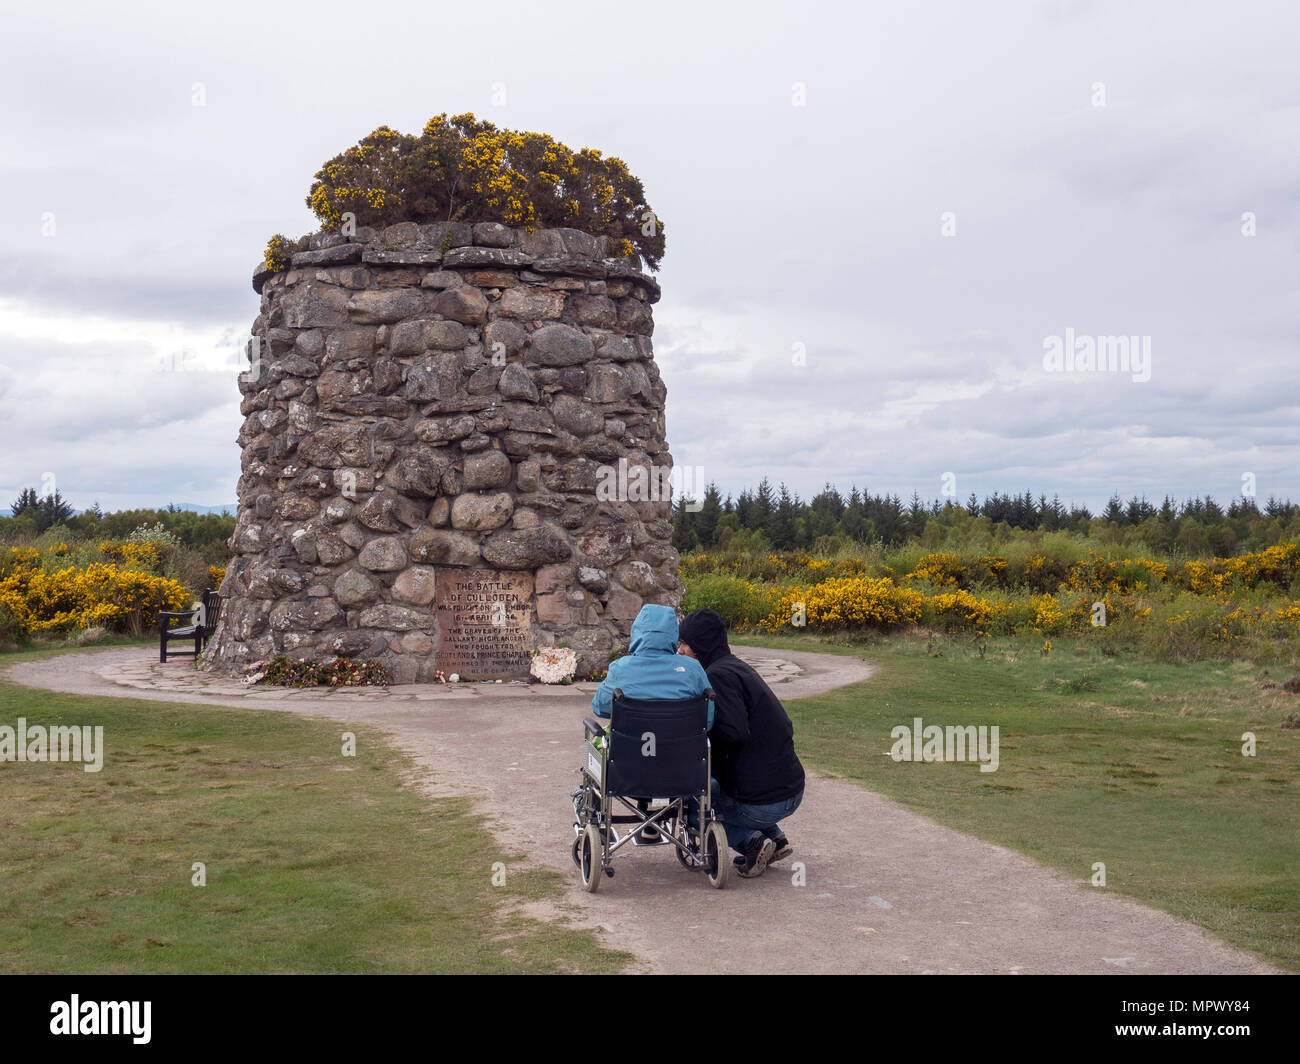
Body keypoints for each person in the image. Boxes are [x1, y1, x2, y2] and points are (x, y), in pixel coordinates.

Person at [677, 608, 805, 878]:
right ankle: (776, 839)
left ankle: (752, 843)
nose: (680, 651)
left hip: (765, 801)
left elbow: (733, 733)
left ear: (700, 645)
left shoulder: (717, 676)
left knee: (692, 806)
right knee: (719, 784)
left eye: (685, 644)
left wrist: (695, 738)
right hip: (790, 788)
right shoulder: (739, 667)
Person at [591, 604, 712, 844]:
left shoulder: (621, 668)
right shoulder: (692, 670)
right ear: (672, 636)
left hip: (626, 768)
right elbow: (707, 719)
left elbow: (601, 707)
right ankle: (655, 822)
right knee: (662, 743)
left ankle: (595, 813)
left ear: (638, 632)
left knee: (598, 741)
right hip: (681, 767)